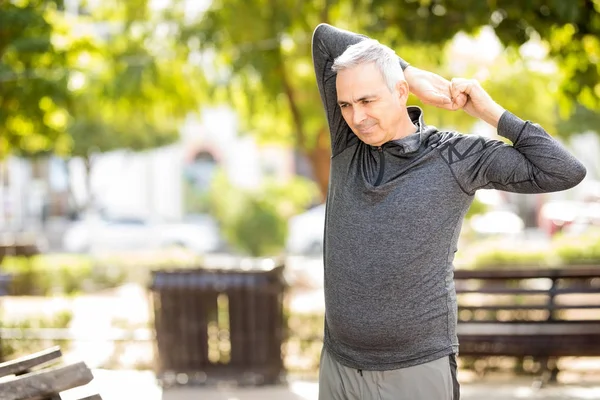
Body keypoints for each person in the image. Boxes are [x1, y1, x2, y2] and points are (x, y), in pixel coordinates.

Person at [311, 23, 586, 400]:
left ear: (399, 93)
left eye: (368, 101)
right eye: (346, 104)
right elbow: (324, 38)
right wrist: (413, 73)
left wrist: (490, 113)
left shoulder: (457, 155)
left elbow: (563, 170)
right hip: (339, 367)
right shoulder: (348, 144)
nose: (357, 117)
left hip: (416, 369)